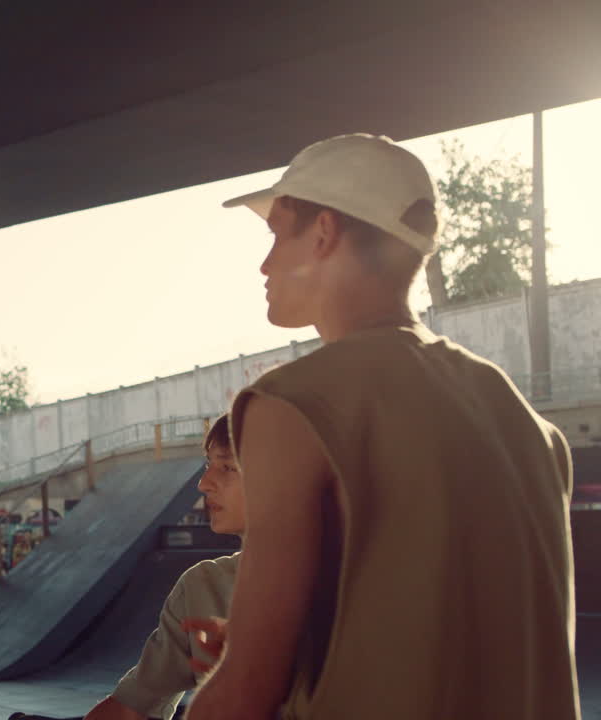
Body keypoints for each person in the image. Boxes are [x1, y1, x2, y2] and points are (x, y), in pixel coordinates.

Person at [186, 134, 578, 719]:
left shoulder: (291, 404)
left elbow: (245, 690)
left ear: (322, 232)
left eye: (276, 235)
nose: (265, 264)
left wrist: (249, 663)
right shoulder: (524, 421)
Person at [84, 414, 242, 720]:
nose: (204, 482)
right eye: (208, 464)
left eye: (227, 466)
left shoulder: (352, 588)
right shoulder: (202, 587)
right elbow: (132, 706)